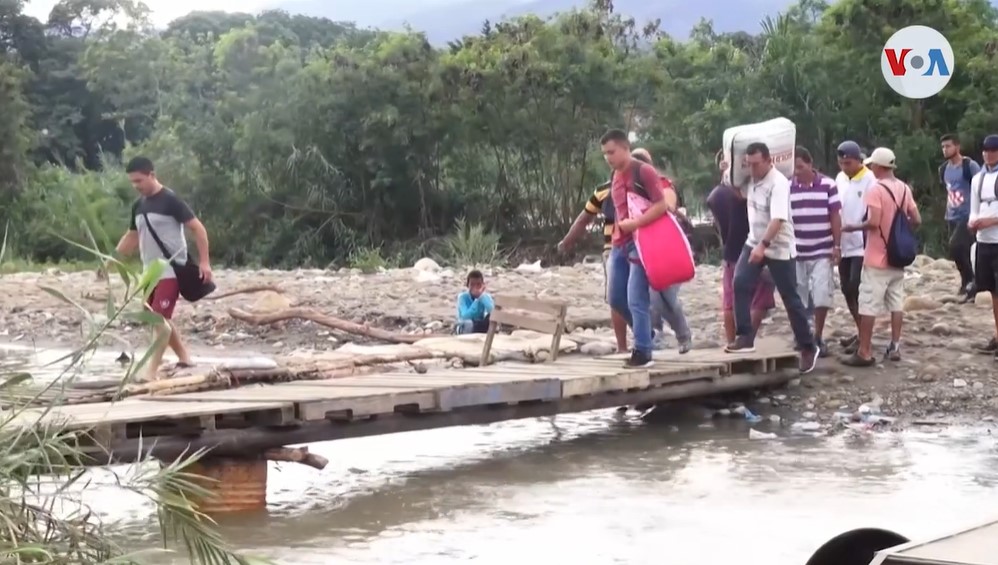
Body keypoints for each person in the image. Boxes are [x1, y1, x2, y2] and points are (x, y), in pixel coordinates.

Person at [114, 156, 213, 381]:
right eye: (132, 182)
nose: (135, 186)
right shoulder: (138, 206)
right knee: (154, 317)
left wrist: (205, 262)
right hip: (149, 272)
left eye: (139, 180)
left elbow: (198, 229)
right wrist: (110, 260)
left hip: (170, 269)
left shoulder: (170, 200)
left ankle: (151, 372)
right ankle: (185, 357)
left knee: (158, 319)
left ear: (151, 174)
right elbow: (131, 236)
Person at [725, 142, 817, 375]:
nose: (753, 169)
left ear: (769, 161)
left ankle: (808, 346)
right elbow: (738, 192)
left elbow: (778, 219)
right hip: (753, 240)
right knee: (740, 283)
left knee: (790, 297)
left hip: (778, 246)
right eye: (749, 164)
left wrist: (763, 246)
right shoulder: (750, 179)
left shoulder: (779, 184)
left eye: (756, 164)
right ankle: (745, 336)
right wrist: (728, 170)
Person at [840, 147, 921, 367]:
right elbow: (916, 219)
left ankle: (864, 351)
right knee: (896, 302)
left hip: (877, 257)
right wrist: (901, 233)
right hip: (898, 257)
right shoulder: (904, 188)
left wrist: (851, 227)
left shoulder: (875, 190)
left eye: (872, 164)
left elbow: (874, 222)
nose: (870, 168)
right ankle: (894, 346)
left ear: (879, 166)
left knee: (868, 304)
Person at [601, 129, 670, 368]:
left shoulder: (643, 171)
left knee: (635, 298)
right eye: (604, 154)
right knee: (616, 298)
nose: (608, 157)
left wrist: (638, 223)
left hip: (642, 242)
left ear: (625, 148)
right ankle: (646, 335)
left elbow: (663, 205)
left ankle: (642, 352)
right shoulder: (615, 175)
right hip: (619, 243)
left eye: (611, 151)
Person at [709, 150, 776, 346]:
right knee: (760, 299)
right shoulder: (755, 189)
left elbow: (721, 226)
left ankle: (732, 342)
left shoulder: (716, 195)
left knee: (730, 300)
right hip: (757, 248)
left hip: (731, 251)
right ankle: (747, 340)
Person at [630, 148, 693, 353]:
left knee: (667, 296)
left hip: (669, 247)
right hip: (648, 249)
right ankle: (657, 335)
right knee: (653, 296)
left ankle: (682, 336)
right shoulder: (629, 189)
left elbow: (668, 203)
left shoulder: (662, 184)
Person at [557, 174, 628, 352]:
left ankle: (630, 344)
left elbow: (583, 219)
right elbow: (584, 218)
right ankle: (625, 345)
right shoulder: (604, 191)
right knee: (619, 298)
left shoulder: (633, 187)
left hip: (626, 247)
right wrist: (567, 241)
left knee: (618, 297)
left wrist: (566, 242)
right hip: (615, 247)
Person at [790, 146, 842, 357]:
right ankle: (802, 335)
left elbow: (835, 216)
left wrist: (837, 245)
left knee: (821, 296)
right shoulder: (786, 187)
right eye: (794, 168)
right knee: (798, 297)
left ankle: (818, 335)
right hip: (796, 251)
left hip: (822, 248)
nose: (797, 171)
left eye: (800, 167)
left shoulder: (828, 185)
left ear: (810, 164)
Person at [833, 140, 876, 355]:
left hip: (861, 243)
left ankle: (864, 337)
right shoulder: (840, 179)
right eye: (841, 163)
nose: (844, 167)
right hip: (843, 242)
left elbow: (872, 211)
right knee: (845, 289)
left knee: (856, 287)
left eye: (848, 163)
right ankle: (860, 331)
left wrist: (858, 227)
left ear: (858, 160)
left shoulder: (870, 179)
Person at [940, 134, 982, 299]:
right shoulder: (944, 169)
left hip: (968, 213)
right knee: (959, 251)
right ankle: (967, 283)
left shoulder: (969, 165)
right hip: (952, 214)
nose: (945, 150)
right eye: (943, 147)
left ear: (957, 147)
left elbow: (979, 186)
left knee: (956, 246)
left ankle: (972, 281)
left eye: (948, 146)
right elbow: (949, 190)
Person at [969, 134, 998, 357]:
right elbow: (974, 207)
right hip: (983, 240)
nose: (989, 154)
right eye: (986, 150)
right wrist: (973, 223)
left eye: (993, 150)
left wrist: (991, 220)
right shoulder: (977, 178)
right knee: (992, 292)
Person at [455, 269, 494, 334]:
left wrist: (481, 297)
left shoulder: (485, 297)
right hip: (464, 324)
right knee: (468, 323)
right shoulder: (462, 297)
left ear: (483, 285)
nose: (475, 287)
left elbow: (493, 312)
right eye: (472, 285)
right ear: (467, 285)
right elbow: (465, 316)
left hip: (479, 324)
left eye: (478, 284)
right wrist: (477, 299)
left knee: (490, 319)